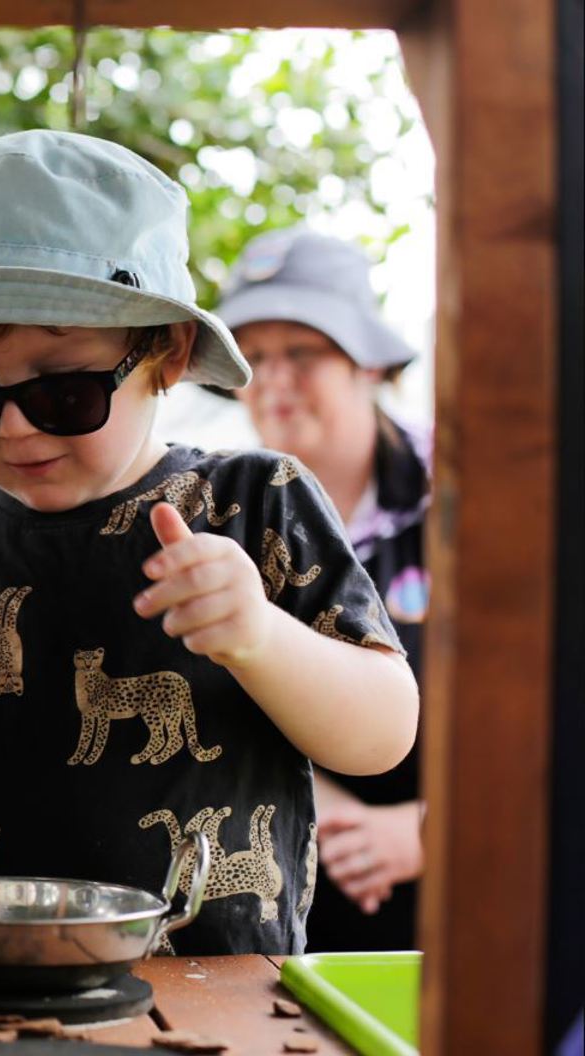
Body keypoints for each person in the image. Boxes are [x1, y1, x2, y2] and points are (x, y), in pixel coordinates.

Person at [0, 130, 419, 954]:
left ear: (168, 353)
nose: (13, 427)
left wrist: (260, 636)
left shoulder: (256, 502)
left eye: (64, 389)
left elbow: (381, 734)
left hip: (205, 980)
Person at [214, 228, 429, 951]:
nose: (274, 379)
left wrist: (429, 830)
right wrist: (328, 807)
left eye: (302, 352)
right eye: (255, 357)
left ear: (368, 362)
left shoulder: (480, 498)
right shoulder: (214, 512)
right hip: (283, 895)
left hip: (480, 884)